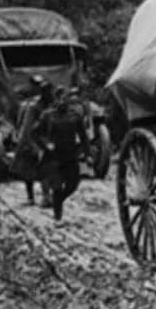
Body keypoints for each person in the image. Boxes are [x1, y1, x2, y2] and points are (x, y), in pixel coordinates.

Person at [35, 87, 90, 221]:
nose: (62, 101)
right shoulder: (47, 115)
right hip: (53, 157)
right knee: (57, 187)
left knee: (73, 184)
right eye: (59, 98)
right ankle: (57, 217)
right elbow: (35, 133)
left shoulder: (75, 116)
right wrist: (46, 144)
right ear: (55, 100)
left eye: (64, 98)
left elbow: (83, 137)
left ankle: (58, 200)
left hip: (70, 156)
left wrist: (86, 153)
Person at [14, 75, 57, 205]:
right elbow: (26, 126)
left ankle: (46, 196)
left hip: (44, 139)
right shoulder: (33, 106)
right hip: (32, 140)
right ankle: (31, 197)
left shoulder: (51, 105)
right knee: (28, 171)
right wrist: (29, 144)